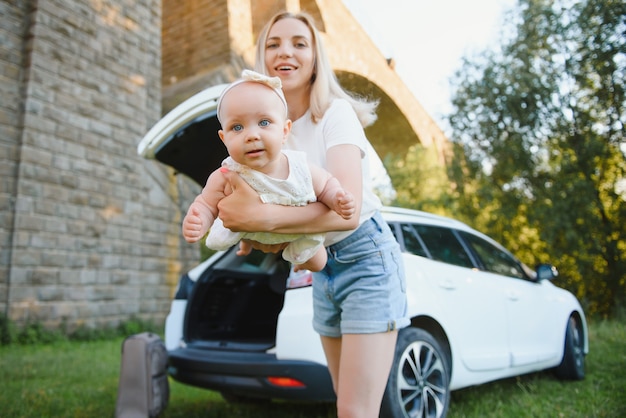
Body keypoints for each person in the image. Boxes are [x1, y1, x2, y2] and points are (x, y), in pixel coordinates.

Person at [216, 11, 410, 418]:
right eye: (273, 44)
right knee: (345, 403)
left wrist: (261, 218)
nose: (285, 52)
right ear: (262, 57)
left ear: (315, 57)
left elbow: (347, 213)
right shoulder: (264, 129)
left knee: (356, 411)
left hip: (366, 258)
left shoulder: (334, 114)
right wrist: (245, 230)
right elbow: (259, 202)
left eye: (298, 43)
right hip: (318, 269)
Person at [182, 69, 355, 272]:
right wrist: (198, 220)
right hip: (249, 228)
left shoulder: (299, 167)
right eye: (237, 128)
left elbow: (326, 185)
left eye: (264, 123)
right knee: (221, 238)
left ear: (284, 131)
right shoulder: (226, 175)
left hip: (296, 231)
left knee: (317, 262)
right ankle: (246, 241)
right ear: (224, 138)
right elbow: (206, 203)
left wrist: (337, 198)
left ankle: (297, 259)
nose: (252, 135)